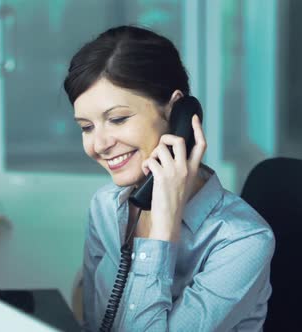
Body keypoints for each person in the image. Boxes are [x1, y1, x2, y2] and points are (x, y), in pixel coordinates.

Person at [64, 25, 275, 332]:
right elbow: (95, 325)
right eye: (86, 127)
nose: (99, 144)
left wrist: (161, 232)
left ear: (177, 112)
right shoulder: (106, 207)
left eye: (118, 119)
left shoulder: (243, 241)